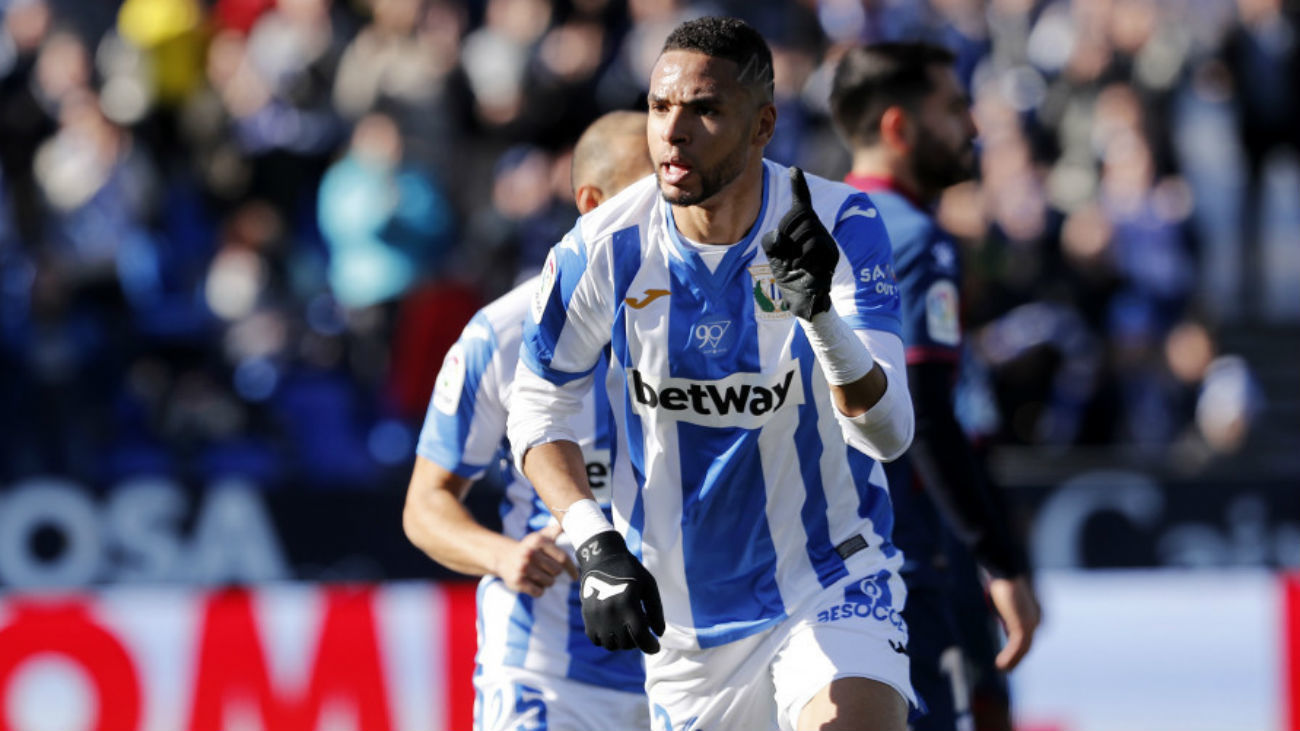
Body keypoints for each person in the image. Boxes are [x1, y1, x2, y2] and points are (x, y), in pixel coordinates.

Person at [507, 17, 917, 731]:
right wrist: (595, 543)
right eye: (661, 107)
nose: (673, 130)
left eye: (704, 108)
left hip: (828, 578)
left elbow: (889, 433)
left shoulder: (840, 222)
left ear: (762, 125)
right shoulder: (603, 248)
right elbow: (538, 410)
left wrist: (817, 315)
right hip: (688, 619)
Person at [402, 110, 655, 731]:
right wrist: (503, 555)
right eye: (649, 198)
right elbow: (424, 505)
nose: (669, 218)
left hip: (696, 666)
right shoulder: (504, 333)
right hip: (549, 675)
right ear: (592, 203)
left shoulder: (714, 319)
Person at [829, 41, 1042, 730]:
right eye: (954, 110)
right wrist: (997, 558)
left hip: (820, 560)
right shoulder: (918, 238)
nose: (973, 129)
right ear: (899, 127)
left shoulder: (802, 224)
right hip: (909, 559)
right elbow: (922, 411)